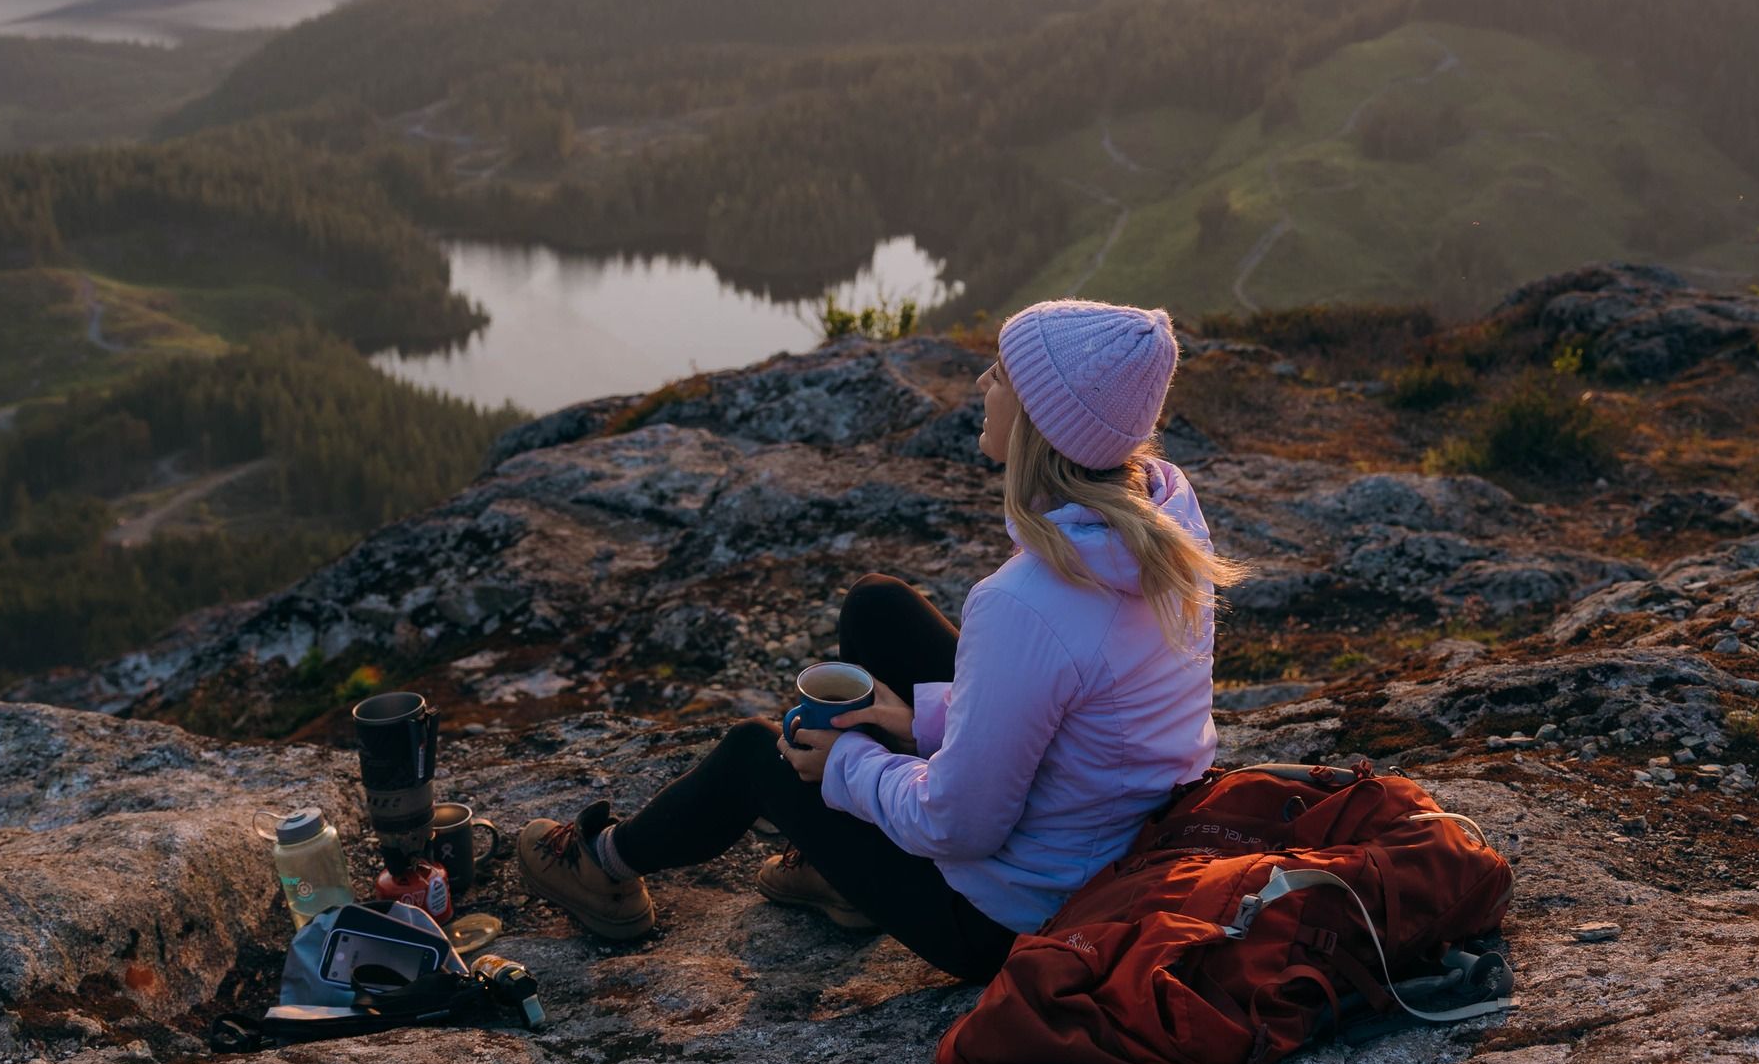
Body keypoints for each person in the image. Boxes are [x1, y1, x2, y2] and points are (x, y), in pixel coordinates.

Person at [515, 297, 1229, 976]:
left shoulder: (1026, 604)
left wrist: (846, 767)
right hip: (1109, 845)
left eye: (1003, 376)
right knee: (878, 607)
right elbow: (1077, 704)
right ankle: (845, 876)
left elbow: (960, 826)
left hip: (1010, 917)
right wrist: (913, 718)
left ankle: (604, 866)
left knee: (754, 755)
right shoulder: (1165, 527)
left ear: (1042, 424)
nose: (982, 383)